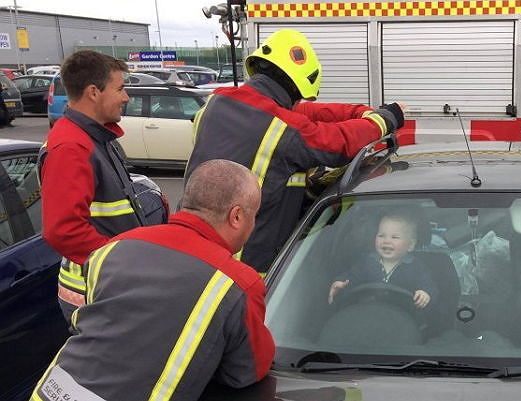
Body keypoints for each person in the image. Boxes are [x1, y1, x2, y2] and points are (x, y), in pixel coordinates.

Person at [30, 160, 275, 401]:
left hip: (50, 392)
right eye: (254, 216)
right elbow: (244, 372)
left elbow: (106, 323)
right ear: (237, 216)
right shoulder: (237, 284)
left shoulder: (113, 248)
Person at [185, 29, 405, 273]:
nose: (300, 104)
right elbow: (339, 143)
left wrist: (359, 112)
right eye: (300, 97)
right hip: (242, 265)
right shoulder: (281, 129)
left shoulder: (216, 105)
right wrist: (386, 119)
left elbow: (302, 115)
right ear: (294, 88)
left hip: (193, 250)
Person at [39, 50, 149, 321]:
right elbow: (63, 231)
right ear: (93, 92)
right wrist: (123, 263)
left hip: (107, 286)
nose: (126, 97)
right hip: (96, 293)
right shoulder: (71, 147)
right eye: (120, 88)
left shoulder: (94, 137)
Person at [328, 211, 436, 308]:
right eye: (381, 235)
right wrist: (340, 282)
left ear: (411, 245)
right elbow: (351, 277)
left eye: (395, 237)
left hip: (402, 319)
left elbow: (429, 285)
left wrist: (425, 293)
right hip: (368, 313)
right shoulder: (366, 262)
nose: (386, 241)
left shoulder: (417, 267)